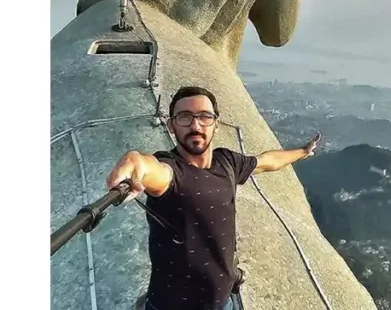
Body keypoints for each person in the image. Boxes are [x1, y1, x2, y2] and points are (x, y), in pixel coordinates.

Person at [105, 86, 322, 310]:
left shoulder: (227, 162)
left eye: (204, 117)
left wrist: (302, 152)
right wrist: (135, 162)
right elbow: (152, 169)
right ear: (171, 126)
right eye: (184, 117)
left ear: (216, 123)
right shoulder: (172, 170)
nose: (195, 126)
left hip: (223, 300)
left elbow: (268, 161)